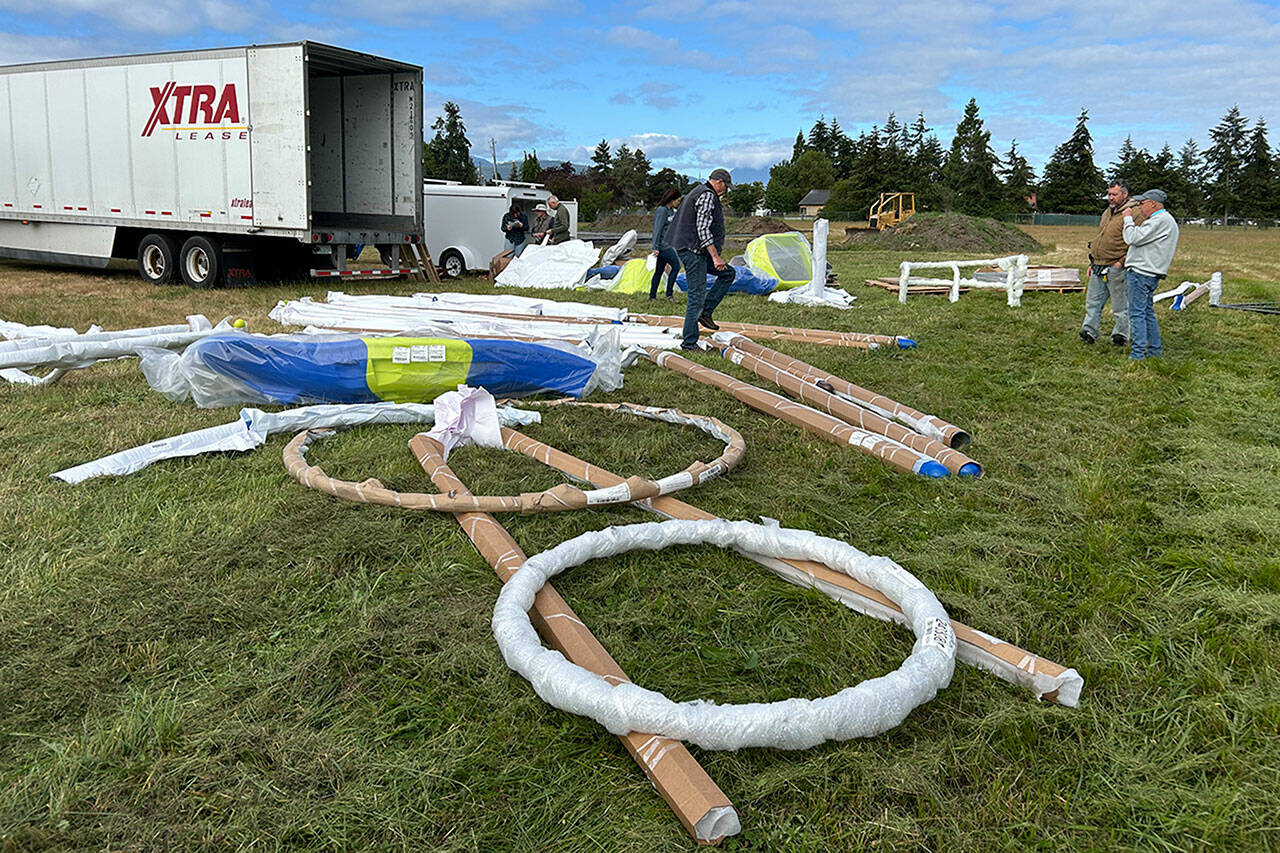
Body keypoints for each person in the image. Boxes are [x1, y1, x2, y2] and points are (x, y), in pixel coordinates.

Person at [670, 168, 735, 350]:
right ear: (719, 182)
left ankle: (705, 312)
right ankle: (689, 343)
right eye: (726, 187)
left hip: (697, 251)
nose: (726, 191)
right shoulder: (706, 195)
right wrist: (715, 257)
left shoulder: (700, 192)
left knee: (728, 273)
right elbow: (703, 229)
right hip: (694, 252)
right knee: (696, 296)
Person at [1123, 189, 1180, 360]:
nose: (1139, 207)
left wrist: (1127, 218)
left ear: (1153, 203)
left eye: (1142, 203)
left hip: (1142, 273)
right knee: (1147, 312)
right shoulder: (1166, 220)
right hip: (1151, 273)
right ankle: (1155, 352)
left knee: (1137, 314)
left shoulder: (1158, 221)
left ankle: (1138, 354)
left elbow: (1131, 237)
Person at [1080, 180, 1134, 346]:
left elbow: (1136, 240)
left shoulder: (1133, 213)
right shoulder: (1107, 212)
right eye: (1109, 194)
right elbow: (1101, 236)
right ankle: (1090, 331)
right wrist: (1093, 261)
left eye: (1114, 194)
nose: (1110, 198)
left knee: (1120, 305)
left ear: (1124, 195)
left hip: (1116, 266)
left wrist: (1122, 263)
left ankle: (1121, 335)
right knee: (1093, 302)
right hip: (1098, 264)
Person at [649, 188, 682, 301]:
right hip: (663, 246)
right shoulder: (662, 210)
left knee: (659, 271)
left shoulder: (671, 211)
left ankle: (652, 296)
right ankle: (669, 294)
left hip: (669, 243)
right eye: (677, 200)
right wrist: (655, 247)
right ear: (672, 200)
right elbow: (657, 229)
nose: (678, 202)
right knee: (676, 266)